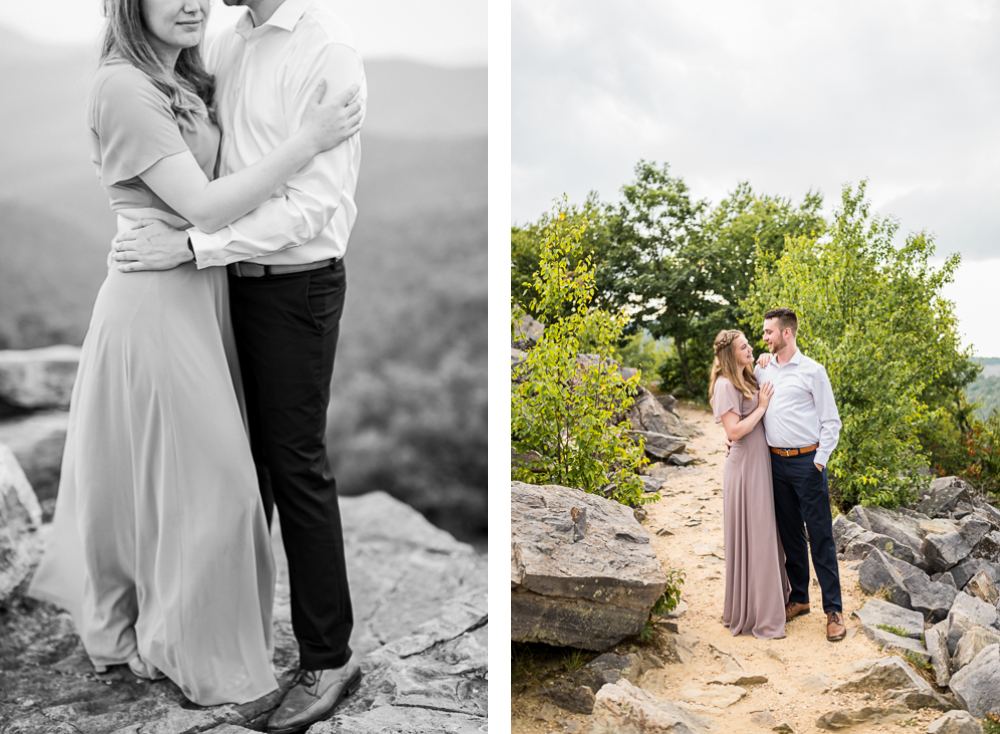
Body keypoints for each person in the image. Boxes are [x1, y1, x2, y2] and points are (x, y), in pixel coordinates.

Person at [28, 0, 362, 708]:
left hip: (268, 285)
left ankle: (324, 657)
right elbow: (203, 203)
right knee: (217, 481)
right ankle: (187, 631)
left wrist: (195, 245)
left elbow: (315, 206)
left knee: (278, 467)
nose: (193, 0)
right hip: (183, 291)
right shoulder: (181, 63)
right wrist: (304, 142)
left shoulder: (305, 49)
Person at [755, 307, 846, 642]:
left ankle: (833, 610)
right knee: (790, 535)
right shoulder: (762, 369)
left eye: (768, 332)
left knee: (820, 536)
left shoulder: (813, 371)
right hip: (775, 465)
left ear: (786, 333)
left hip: (808, 464)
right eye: (764, 333)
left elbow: (831, 422)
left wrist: (819, 462)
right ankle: (799, 598)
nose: (764, 337)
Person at [710, 330, 789, 639]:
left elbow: (764, 368)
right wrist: (762, 407)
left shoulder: (748, 376)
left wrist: (767, 359)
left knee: (765, 534)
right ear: (732, 354)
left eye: (750, 345)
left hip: (761, 464)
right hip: (744, 469)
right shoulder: (725, 384)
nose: (751, 348)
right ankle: (754, 613)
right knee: (752, 536)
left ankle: (771, 603)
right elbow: (735, 430)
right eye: (744, 347)